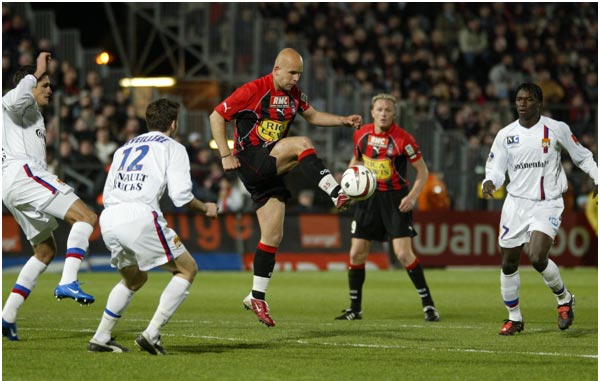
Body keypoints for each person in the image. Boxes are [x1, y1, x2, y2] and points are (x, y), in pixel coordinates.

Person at [209, 48, 362, 327]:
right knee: (302, 144)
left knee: (272, 236)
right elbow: (216, 116)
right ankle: (336, 192)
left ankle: (256, 296)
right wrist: (225, 154)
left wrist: (343, 120)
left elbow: (313, 116)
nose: (296, 79)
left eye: (299, 74)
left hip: (269, 168)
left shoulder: (294, 95)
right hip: (251, 158)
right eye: (292, 73)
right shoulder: (252, 90)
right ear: (276, 69)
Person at [87, 98, 218, 354]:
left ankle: (101, 336)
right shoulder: (173, 147)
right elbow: (181, 196)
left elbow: (108, 189)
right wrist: (206, 208)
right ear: (173, 123)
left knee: (134, 279)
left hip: (110, 216)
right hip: (139, 216)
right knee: (187, 269)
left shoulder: (123, 148)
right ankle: (152, 333)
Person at [482, 83, 598, 335]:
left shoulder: (556, 128)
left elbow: (581, 155)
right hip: (516, 204)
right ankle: (514, 318)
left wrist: (597, 177)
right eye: (519, 99)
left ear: (540, 103)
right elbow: (496, 170)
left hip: (547, 202)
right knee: (508, 264)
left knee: (536, 257)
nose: (522, 104)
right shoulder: (505, 135)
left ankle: (564, 299)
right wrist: (489, 181)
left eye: (528, 99)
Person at [2, 52, 99, 341]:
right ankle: (68, 280)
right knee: (87, 217)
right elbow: (14, 98)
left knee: (44, 251)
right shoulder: (15, 101)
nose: (49, 90)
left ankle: (7, 316)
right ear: (29, 84)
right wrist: (36, 72)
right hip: (23, 175)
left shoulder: (28, 113)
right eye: (44, 85)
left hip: (12, 184)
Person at [335, 93, 440, 322]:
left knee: (403, 254)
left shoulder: (404, 139)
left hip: (395, 200)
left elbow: (422, 171)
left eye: (388, 110)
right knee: (356, 253)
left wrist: (412, 197)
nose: (383, 113)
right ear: (372, 112)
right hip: (368, 199)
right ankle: (355, 308)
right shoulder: (361, 134)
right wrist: (349, 186)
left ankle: (429, 305)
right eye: (380, 109)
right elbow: (357, 161)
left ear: (394, 114)